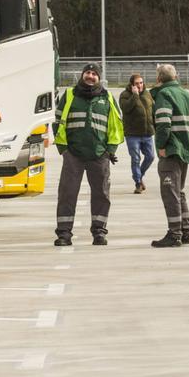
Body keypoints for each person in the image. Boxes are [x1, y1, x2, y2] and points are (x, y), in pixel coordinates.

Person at [52, 63, 124, 246]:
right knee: (67, 194)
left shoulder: (107, 97)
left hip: (99, 155)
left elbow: (116, 125)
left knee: (101, 194)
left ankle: (99, 232)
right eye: (87, 73)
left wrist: (110, 150)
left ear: (99, 77)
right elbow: (57, 122)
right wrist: (64, 150)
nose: (90, 76)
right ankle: (64, 234)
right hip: (73, 155)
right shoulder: (69, 95)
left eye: (94, 74)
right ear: (82, 75)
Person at [150, 63, 189, 248]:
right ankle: (186, 231)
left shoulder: (165, 95)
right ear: (176, 77)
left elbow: (163, 123)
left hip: (172, 151)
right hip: (186, 151)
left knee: (170, 192)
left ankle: (175, 234)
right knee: (179, 192)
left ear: (159, 79)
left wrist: (161, 145)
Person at [119, 73, 155, 194]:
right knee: (135, 158)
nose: (139, 85)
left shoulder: (147, 94)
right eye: (137, 83)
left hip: (147, 133)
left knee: (150, 157)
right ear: (131, 84)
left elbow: (152, 110)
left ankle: (139, 175)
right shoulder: (124, 95)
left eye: (141, 82)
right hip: (132, 134)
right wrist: (135, 95)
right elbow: (126, 108)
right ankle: (138, 183)